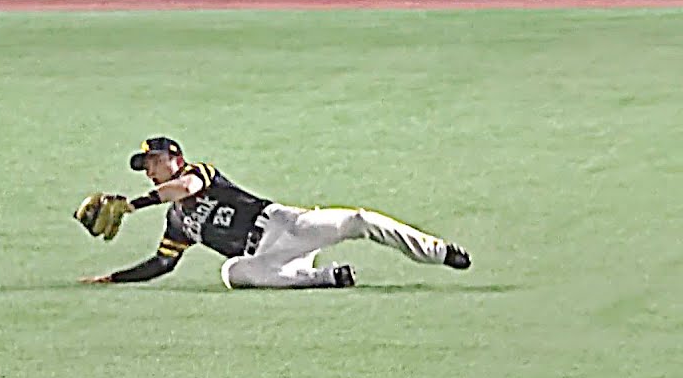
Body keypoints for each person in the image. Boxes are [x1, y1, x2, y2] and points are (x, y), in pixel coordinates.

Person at [77, 137, 471, 288]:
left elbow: (185, 189)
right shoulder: (177, 222)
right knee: (233, 272)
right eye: (145, 166)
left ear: (175, 158)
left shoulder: (199, 173)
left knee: (360, 220)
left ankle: (440, 252)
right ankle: (326, 278)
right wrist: (113, 278)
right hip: (267, 259)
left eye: (153, 161)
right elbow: (163, 264)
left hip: (286, 225)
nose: (149, 169)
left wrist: (134, 204)